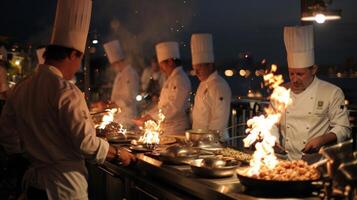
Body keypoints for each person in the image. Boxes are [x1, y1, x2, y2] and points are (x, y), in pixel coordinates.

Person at [0, 0, 136, 199]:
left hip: (34, 187)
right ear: (73, 54)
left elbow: (7, 137)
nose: (78, 67)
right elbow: (86, 144)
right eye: (79, 60)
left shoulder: (21, 88)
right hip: (64, 188)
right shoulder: (66, 91)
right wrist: (117, 153)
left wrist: (32, 153)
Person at [274, 25, 351, 162]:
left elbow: (343, 128)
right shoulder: (281, 92)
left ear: (313, 69)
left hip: (315, 162)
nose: (294, 79)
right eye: (291, 73)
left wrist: (321, 139)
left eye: (300, 74)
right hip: (284, 162)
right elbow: (273, 123)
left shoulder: (331, 92)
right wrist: (273, 140)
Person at [134, 41, 192, 135]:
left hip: (176, 129)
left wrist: (151, 117)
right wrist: (148, 115)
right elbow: (162, 106)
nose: (161, 69)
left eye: (162, 65)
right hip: (166, 128)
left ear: (170, 62)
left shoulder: (180, 79)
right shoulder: (171, 78)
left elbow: (174, 107)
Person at [190, 33, 232, 140]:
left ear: (210, 65)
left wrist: (206, 140)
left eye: (199, 67)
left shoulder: (219, 86)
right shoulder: (202, 84)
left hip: (214, 142)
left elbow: (219, 120)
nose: (196, 72)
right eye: (194, 68)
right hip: (199, 141)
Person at [102, 40, 139, 128]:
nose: (113, 67)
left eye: (114, 64)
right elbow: (116, 97)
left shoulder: (130, 74)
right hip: (118, 116)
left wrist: (108, 105)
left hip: (127, 118)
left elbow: (128, 99)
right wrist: (108, 104)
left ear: (118, 62)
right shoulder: (119, 74)